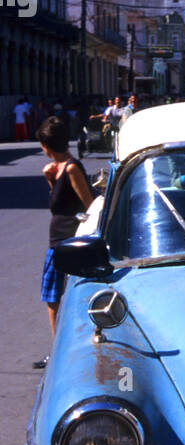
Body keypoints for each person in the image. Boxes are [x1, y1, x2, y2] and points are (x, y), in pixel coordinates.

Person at [34, 116, 94, 367]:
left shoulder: (71, 168)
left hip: (67, 243)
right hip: (57, 241)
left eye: (43, 145)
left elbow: (89, 204)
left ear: (48, 145)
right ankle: (60, 350)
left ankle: (62, 354)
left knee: (56, 298)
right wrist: (50, 180)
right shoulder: (57, 169)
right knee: (53, 298)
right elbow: (58, 202)